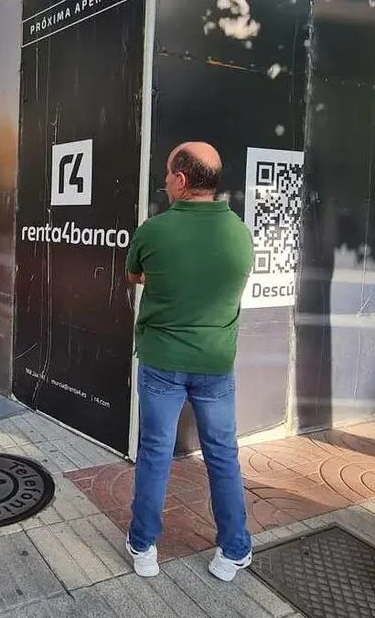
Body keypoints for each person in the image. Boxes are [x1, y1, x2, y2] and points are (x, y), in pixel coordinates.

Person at [124, 142, 254, 582]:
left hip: (162, 361)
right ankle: (234, 550)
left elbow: (134, 274)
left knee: (155, 453)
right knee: (222, 455)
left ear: (181, 181)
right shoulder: (239, 230)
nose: (164, 182)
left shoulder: (153, 230)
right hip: (216, 364)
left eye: (166, 175)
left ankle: (143, 546)